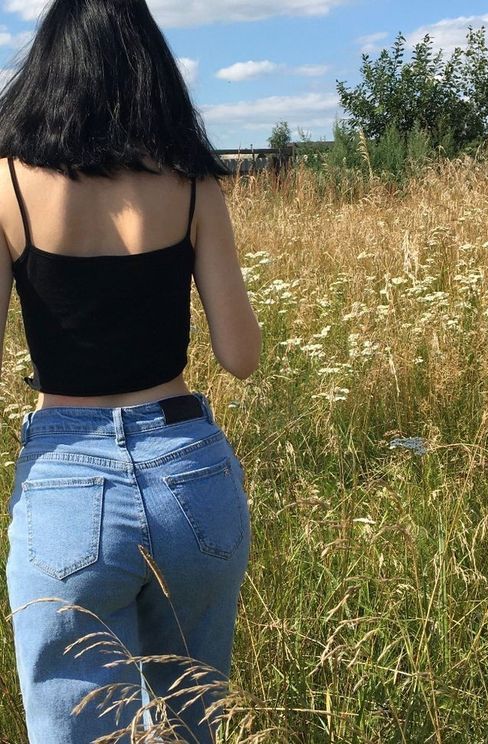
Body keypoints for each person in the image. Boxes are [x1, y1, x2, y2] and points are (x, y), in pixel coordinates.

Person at [0, 1, 261, 742]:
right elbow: (241, 357)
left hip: (67, 480)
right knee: (189, 724)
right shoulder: (191, 185)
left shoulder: (8, 186)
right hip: (191, 475)